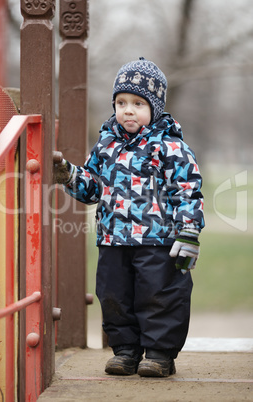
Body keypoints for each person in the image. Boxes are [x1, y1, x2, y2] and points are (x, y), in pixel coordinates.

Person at [53, 57, 205, 378]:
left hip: (159, 240)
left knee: (159, 294)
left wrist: (188, 233)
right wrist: (69, 175)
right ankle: (125, 351)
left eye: (138, 103)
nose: (128, 110)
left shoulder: (170, 147)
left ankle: (160, 354)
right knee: (114, 295)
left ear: (156, 108)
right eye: (121, 102)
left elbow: (187, 190)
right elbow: (92, 187)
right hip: (113, 238)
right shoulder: (106, 145)